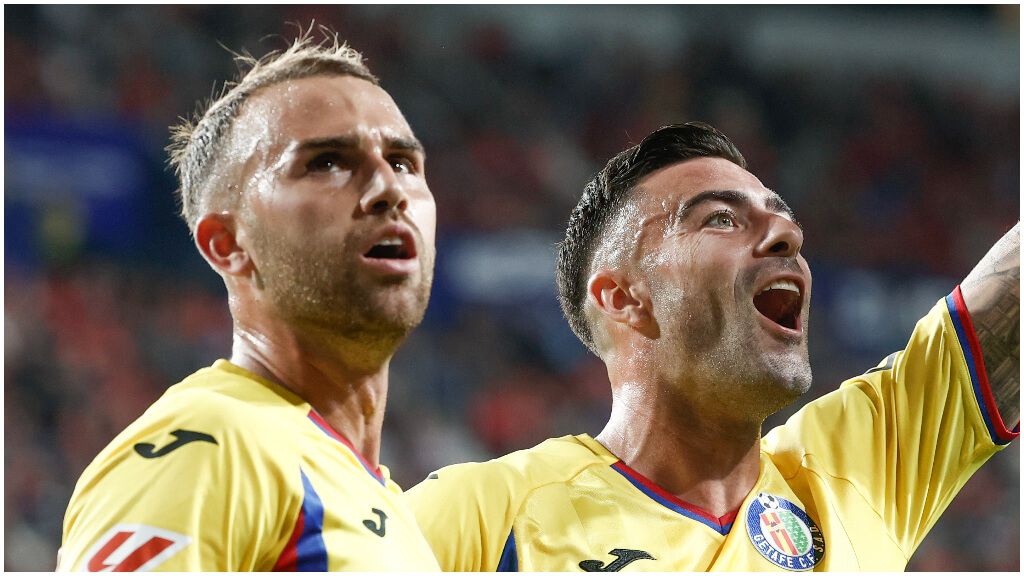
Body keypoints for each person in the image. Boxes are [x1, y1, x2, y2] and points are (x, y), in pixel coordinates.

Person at [406, 122, 1019, 571]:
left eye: (784, 219)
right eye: (721, 218)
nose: (787, 234)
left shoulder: (852, 474)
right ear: (624, 298)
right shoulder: (483, 514)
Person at [58, 28, 441, 571]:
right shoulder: (208, 445)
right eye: (327, 162)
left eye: (402, 162)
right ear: (228, 244)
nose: (389, 189)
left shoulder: (385, 506)